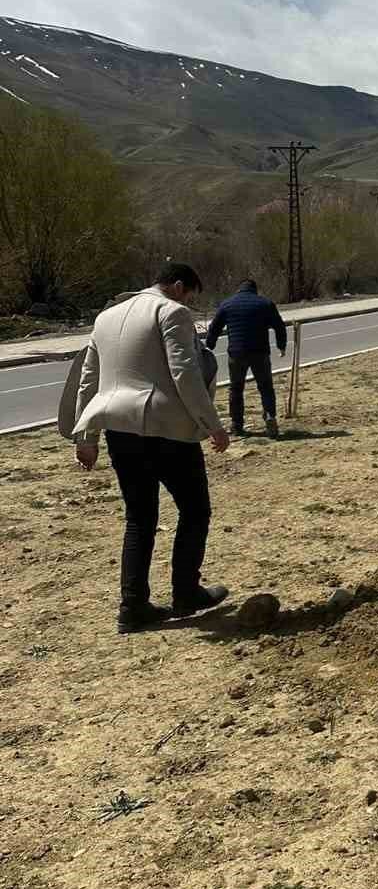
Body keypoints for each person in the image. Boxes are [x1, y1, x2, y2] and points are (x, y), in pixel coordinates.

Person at [73, 261, 230, 633]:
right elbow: (185, 375)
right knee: (195, 510)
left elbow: (88, 380)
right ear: (178, 287)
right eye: (191, 295)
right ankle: (186, 593)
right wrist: (214, 426)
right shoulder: (172, 312)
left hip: (118, 429)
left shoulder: (106, 317)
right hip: (164, 428)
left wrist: (86, 438)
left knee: (139, 518)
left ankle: (133, 607)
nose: (189, 301)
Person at [205, 278, 287, 439]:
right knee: (265, 387)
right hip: (260, 353)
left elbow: (214, 327)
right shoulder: (265, 304)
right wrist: (281, 345)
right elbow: (279, 326)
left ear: (238, 289)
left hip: (236, 354)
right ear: (255, 290)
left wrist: (210, 345)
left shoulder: (227, 304)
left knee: (236, 389)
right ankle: (270, 416)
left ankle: (237, 425)